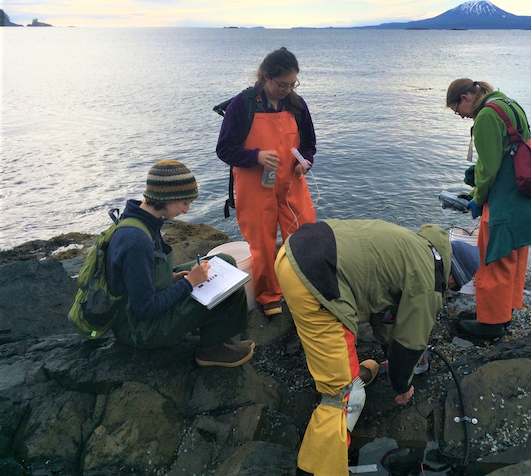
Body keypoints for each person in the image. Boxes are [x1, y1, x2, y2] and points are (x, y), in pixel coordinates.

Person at [274, 219, 479, 476]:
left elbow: (384, 315)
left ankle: (350, 374)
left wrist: (388, 356)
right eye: (451, 287)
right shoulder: (428, 281)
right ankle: (318, 470)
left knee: (333, 361)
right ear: (452, 275)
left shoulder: (414, 247)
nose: (446, 291)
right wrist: (402, 385)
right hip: (316, 279)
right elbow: (410, 343)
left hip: (291, 253)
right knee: (344, 397)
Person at [107, 159, 254, 367]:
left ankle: (218, 334)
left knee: (224, 263)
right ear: (167, 197)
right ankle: (211, 350)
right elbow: (145, 309)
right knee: (225, 285)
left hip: (137, 310)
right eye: (184, 203)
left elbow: (144, 276)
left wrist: (173, 278)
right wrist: (188, 284)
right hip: (139, 330)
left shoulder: (142, 219)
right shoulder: (136, 240)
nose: (186, 210)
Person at [446, 79, 531, 340]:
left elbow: (490, 168)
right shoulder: (508, 102)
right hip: (525, 196)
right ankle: (506, 312)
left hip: (504, 199)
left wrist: (477, 198)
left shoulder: (485, 116)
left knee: (493, 259)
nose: (460, 116)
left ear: (465, 97)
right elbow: (512, 148)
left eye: (456, 109)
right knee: (515, 256)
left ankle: (491, 324)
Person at [216, 47, 316, 317]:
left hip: (292, 183)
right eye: (282, 84)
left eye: (292, 84)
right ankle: (269, 295)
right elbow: (224, 149)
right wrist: (255, 156)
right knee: (262, 244)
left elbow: (309, 144)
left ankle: (304, 289)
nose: (287, 89)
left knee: (305, 237)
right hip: (255, 187)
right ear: (265, 77)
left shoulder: (296, 104)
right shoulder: (242, 104)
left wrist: (305, 161)